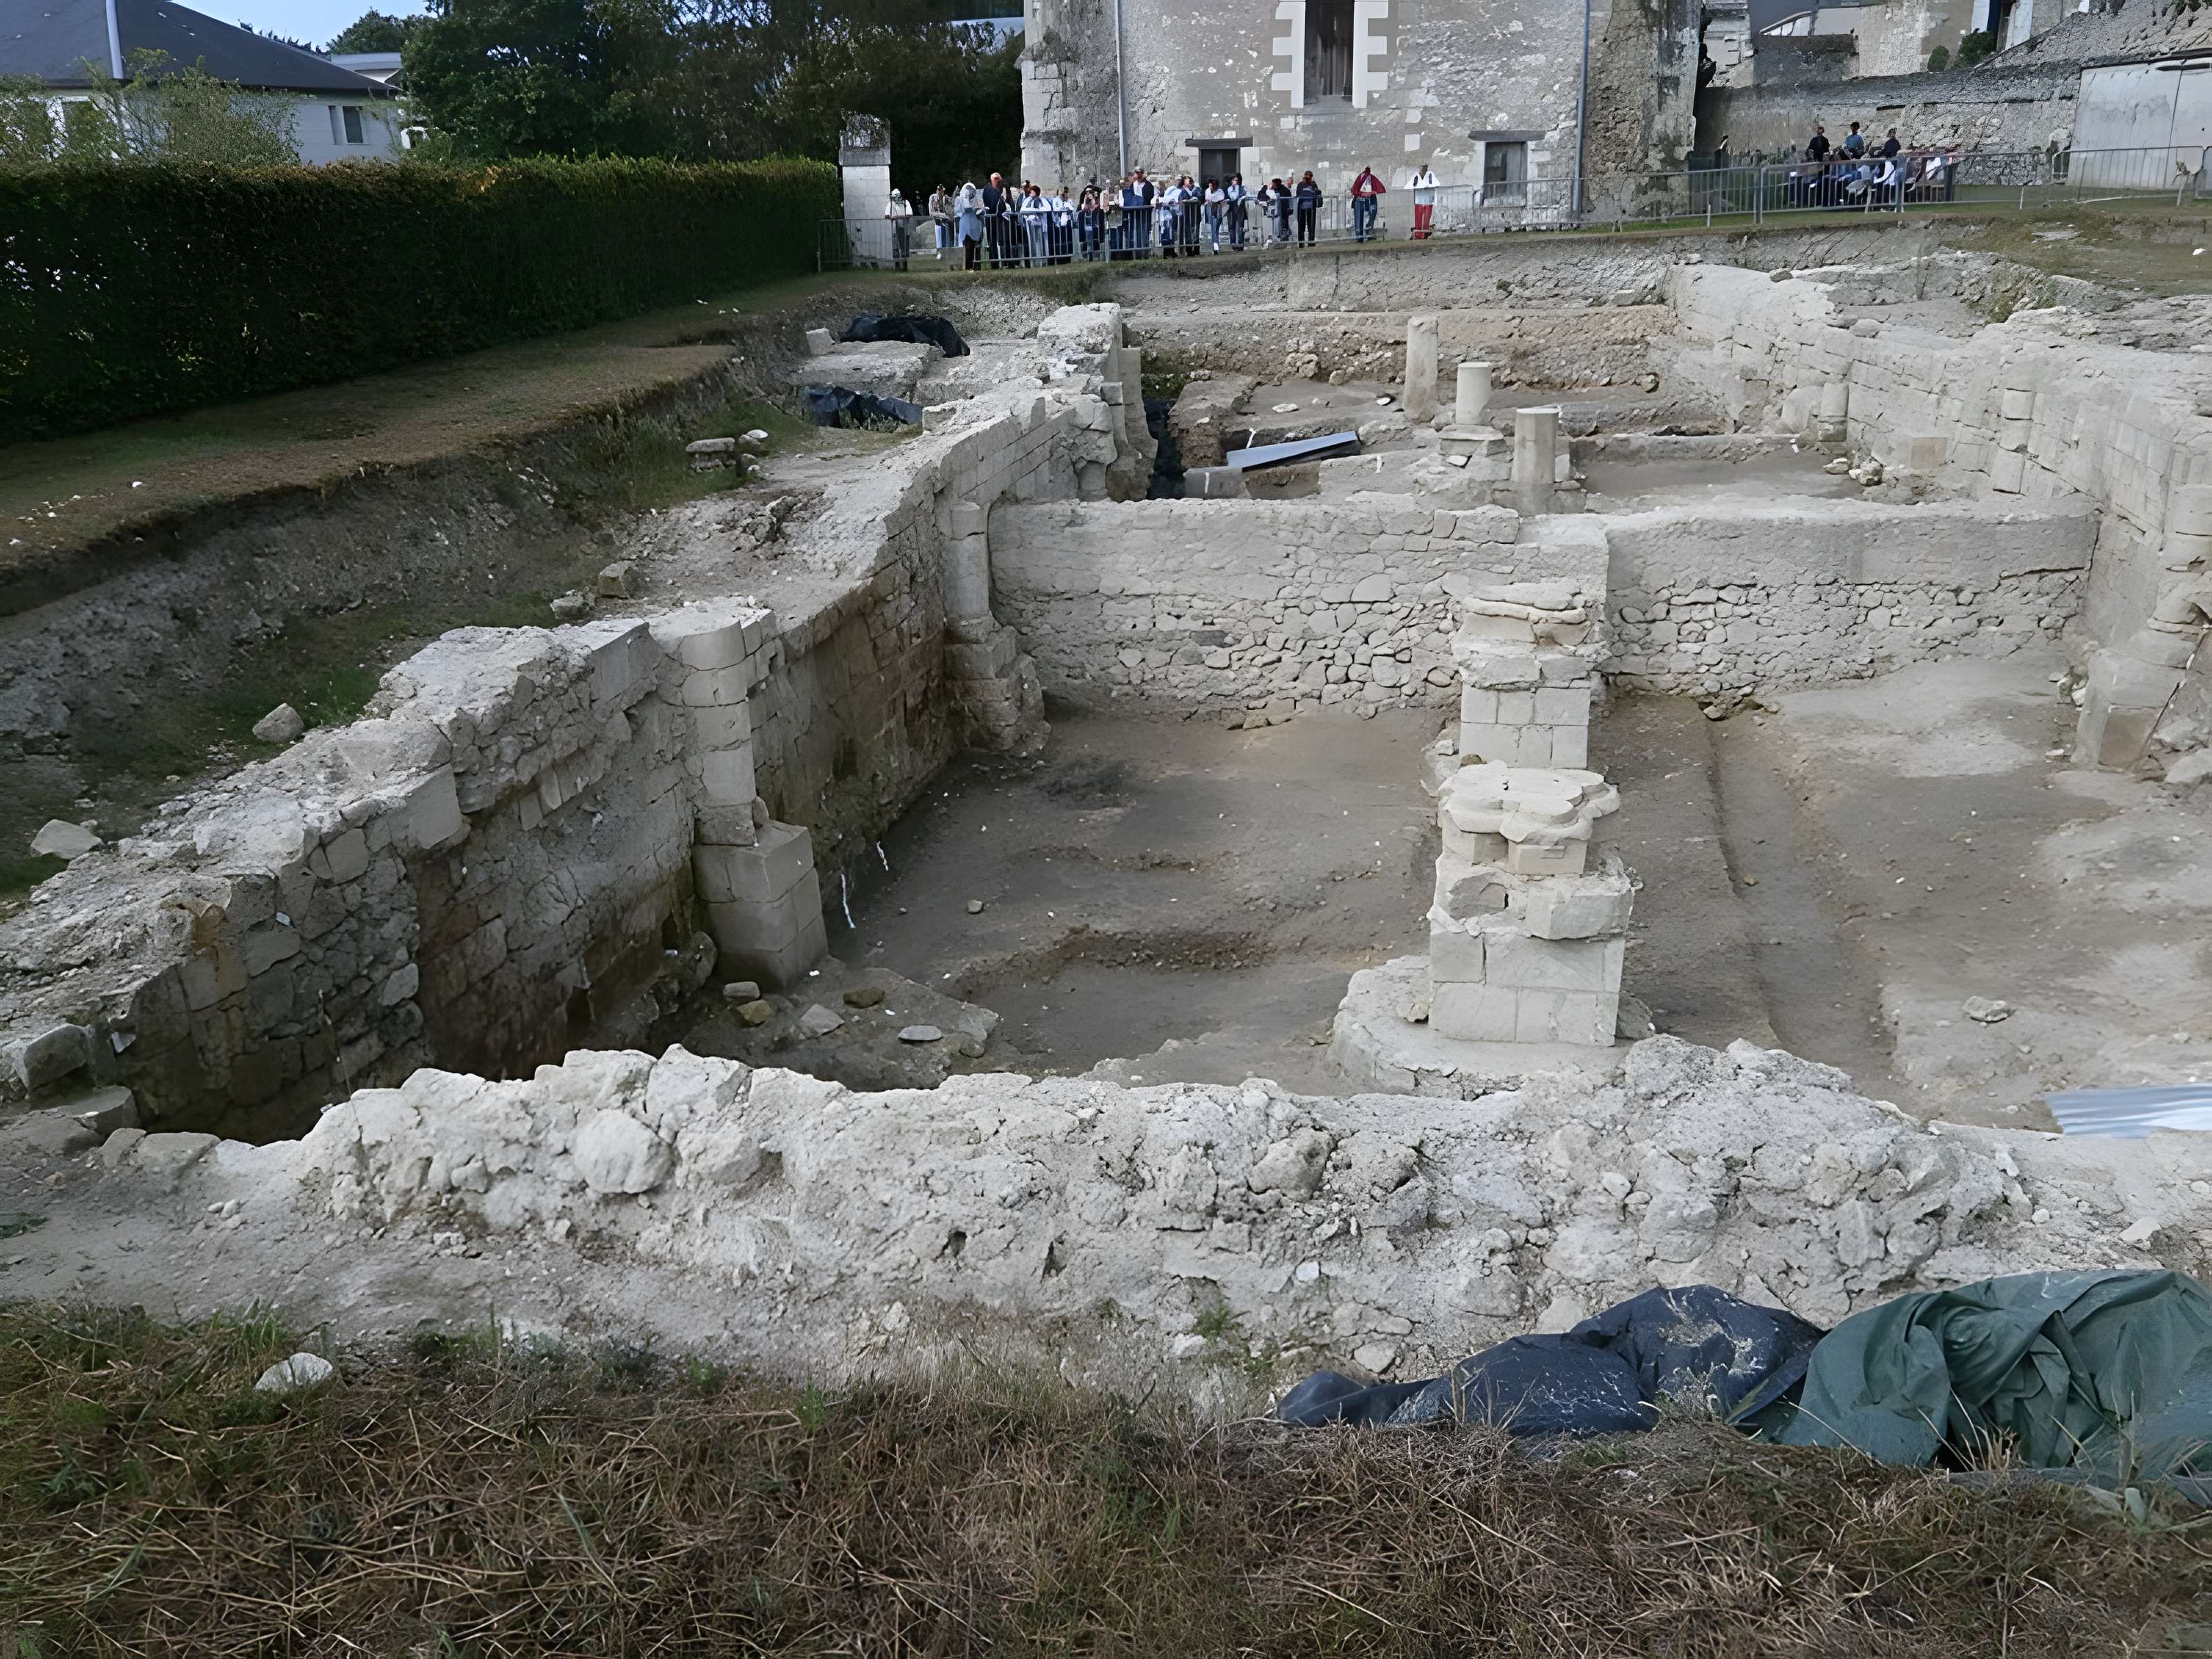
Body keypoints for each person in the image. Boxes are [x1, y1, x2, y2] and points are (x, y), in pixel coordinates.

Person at [980, 172, 1012, 268]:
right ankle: (994, 263)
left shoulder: (1002, 190)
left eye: (999, 180)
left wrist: (1007, 190)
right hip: (992, 219)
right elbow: (991, 204)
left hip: (1002, 220)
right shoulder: (988, 190)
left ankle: (1007, 262)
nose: (998, 182)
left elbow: (1009, 202)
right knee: (992, 241)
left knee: (1005, 241)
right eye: (996, 180)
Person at [1350, 162, 1385, 242]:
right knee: (1367, 217)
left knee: (1368, 217)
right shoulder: (1366, 177)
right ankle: (1364, 235)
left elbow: (1356, 189)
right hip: (1363, 199)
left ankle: (1363, 235)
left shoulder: (1365, 177)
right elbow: (1358, 189)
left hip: (1365, 199)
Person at [956, 180, 984, 270]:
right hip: (965, 226)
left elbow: (981, 210)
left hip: (975, 225)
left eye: (971, 190)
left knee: (977, 245)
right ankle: (967, 266)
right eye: (968, 190)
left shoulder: (978, 201)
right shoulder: (961, 201)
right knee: (966, 246)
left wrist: (978, 210)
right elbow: (957, 212)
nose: (970, 192)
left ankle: (977, 265)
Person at [883, 186, 912, 271]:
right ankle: (897, 266)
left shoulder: (906, 202)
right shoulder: (890, 204)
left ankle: (905, 267)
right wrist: (896, 217)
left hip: (904, 228)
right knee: (895, 248)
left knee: (904, 248)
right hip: (894, 229)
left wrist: (896, 217)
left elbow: (909, 214)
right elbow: (887, 215)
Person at [1077, 182, 1106, 260]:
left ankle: (1100, 255)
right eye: (1087, 192)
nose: (1088, 193)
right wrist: (1086, 199)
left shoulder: (1097, 200)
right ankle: (1088, 255)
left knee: (1098, 238)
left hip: (1097, 227)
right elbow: (1084, 208)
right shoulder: (1084, 199)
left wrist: (1093, 199)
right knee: (1089, 237)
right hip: (1087, 227)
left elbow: (1095, 207)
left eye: (1090, 191)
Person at [926, 184, 955, 259]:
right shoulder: (932, 198)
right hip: (938, 222)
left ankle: (947, 254)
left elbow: (951, 209)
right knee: (939, 239)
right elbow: (931, 212)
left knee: (947, 240)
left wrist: (947, 215)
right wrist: (943, 215)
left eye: (941, 191)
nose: (940, 192)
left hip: (946, 222)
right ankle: (940, 254)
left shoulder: (946, 198)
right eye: (939, 190)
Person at [1294, 170, 1321, 245]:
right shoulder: (1304, 185)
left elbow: (1317, 192)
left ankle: (1307, 242)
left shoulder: (1311, 185)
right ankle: (1305, 242)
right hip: (1306, 206)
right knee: (1305, 225)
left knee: (1308, 225)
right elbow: (1317, 192)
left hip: (1308, 206)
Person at [1225, 173, 1248, 250]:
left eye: (1237, 181)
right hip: (1231, 209)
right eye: (1234, 180)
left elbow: (1243, 194)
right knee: (1232, 226)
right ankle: (1233, 243)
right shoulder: (1228, 189)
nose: (1236, 182)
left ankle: (1240, 243)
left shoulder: (1242, 188)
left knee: (1241, 226)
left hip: (1240, 209)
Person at [1203, 177, 1227, 252]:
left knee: (1216, 228)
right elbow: (1208, 197)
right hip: (1211, 211)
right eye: (1210, 185)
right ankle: (1215, 244)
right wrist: (1213, 198)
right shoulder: (1208, 191)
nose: (1211, 187)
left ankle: (1215, 243)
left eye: (1212, 185)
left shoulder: (1220, 191)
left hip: (1218, 211)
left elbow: (1219, 197)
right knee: (1214, 228)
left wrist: (1213, 199)